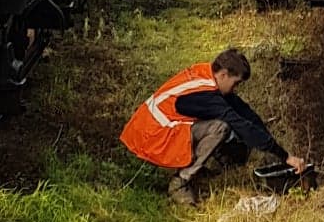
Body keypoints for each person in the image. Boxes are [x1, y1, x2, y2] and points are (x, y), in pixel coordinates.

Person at [120, 47, 305, 206]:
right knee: (221, 127)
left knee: (229, 122)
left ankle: (200, 166)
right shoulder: (208, 95)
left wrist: (279, 150)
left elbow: (245, 113)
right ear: (223, 74)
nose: (236, 88)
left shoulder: (208, 76)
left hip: (152, 127)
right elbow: (239, 124)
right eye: (236, 83)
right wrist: (285, 157)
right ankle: (180, 182)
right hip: (152, 135)